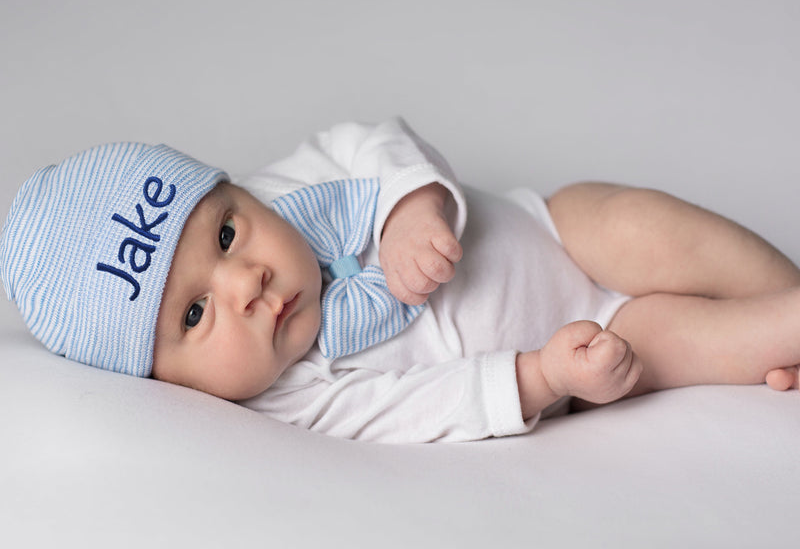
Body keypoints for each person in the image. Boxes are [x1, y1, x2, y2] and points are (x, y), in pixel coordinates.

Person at [2, 117, 799, 443]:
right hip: (595, 343)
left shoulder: (289, 187)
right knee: (689, 343)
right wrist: (548, 372)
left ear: (238, 192)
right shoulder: (293, 397)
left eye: (224, 231)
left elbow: (370, 139)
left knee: (641, 223)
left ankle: (781, 283)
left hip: (556, 225)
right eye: (196, 313)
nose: (245, 280)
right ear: (163, 379)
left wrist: (411, 210)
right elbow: (422, 408)